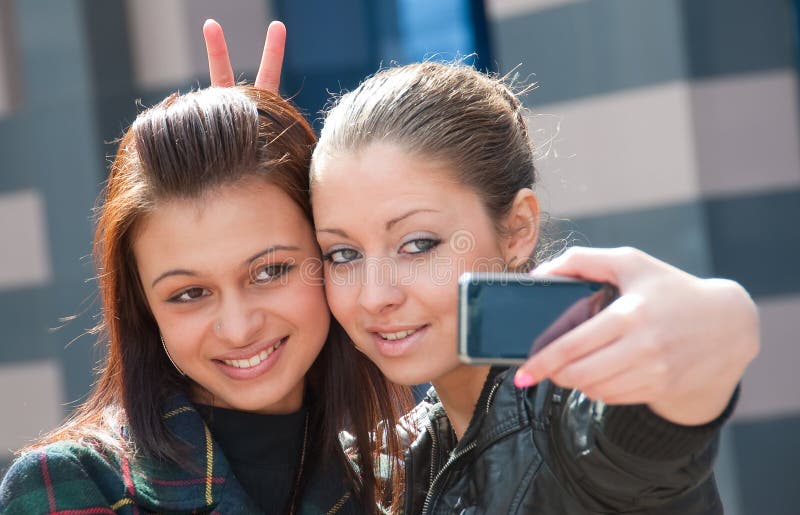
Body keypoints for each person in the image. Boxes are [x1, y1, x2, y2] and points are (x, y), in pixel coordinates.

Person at [202, 22, 758, 512]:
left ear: (516, 228)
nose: (374, 296)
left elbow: (686, 382)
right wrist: (243, 207)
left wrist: (726, 317)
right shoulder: (384, 471)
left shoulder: (580, 421)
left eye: (418, 244)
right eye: (343, 254)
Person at [0, 85, 413, 514]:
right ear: (145, 308)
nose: (238, 328)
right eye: (190, 294)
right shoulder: (76, 483)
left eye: (270, 271)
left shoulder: (400, 480)